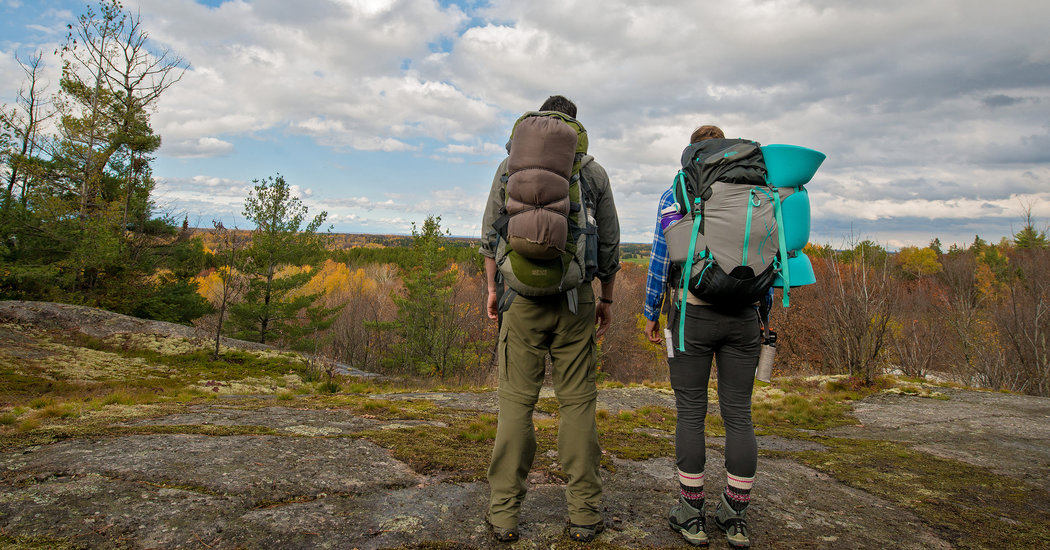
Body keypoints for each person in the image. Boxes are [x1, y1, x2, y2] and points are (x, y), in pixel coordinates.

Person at [479, 95, 621, 543]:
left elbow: (489, 236)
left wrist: (492, 289)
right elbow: (611, 246)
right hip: (575, 300)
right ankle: (583, 515)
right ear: (573, 130)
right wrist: (607, 299)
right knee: (577, 403)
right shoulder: (593, 172)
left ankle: (503, 516)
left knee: (516, 403)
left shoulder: (510, 167)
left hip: (519, 299)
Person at [643, 124, 760, 548]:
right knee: (739, 416)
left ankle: (691, 514)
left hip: (691, 316)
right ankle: (735, 517)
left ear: (693, 153)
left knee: (690, 413)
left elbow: (661, 258)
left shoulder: (676, 192)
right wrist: (761, 317)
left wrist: (651, 311)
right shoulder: (757, 193)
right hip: (745, 317)